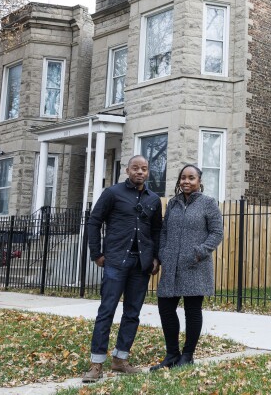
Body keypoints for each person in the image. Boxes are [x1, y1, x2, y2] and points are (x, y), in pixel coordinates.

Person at [82, 155, 163, 383]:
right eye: (135, 168)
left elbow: (157, 230)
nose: (140, 172)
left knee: (132, 313)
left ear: (148, 172)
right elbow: (94, 221)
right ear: (127, 170)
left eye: (144, 169)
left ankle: (120, 359)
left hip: (141, 265)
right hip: (116, 261)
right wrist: (96, 253)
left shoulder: (153, 199)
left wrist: (156, 257)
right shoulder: (112, 193)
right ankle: (96, 364)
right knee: (106, 311)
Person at [150, 164, 223, 370]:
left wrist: (199, 252)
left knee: (192, 310)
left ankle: (188, 354)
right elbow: (163, 231)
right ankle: (172, 354)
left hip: (195, 266)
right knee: (165, 308)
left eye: (191, 178)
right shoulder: (172, 203)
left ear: (199, 181)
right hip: (171, 265)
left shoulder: (208, 203)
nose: (186, 181)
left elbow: (217, 233)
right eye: (183, 178)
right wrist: (163, 252)